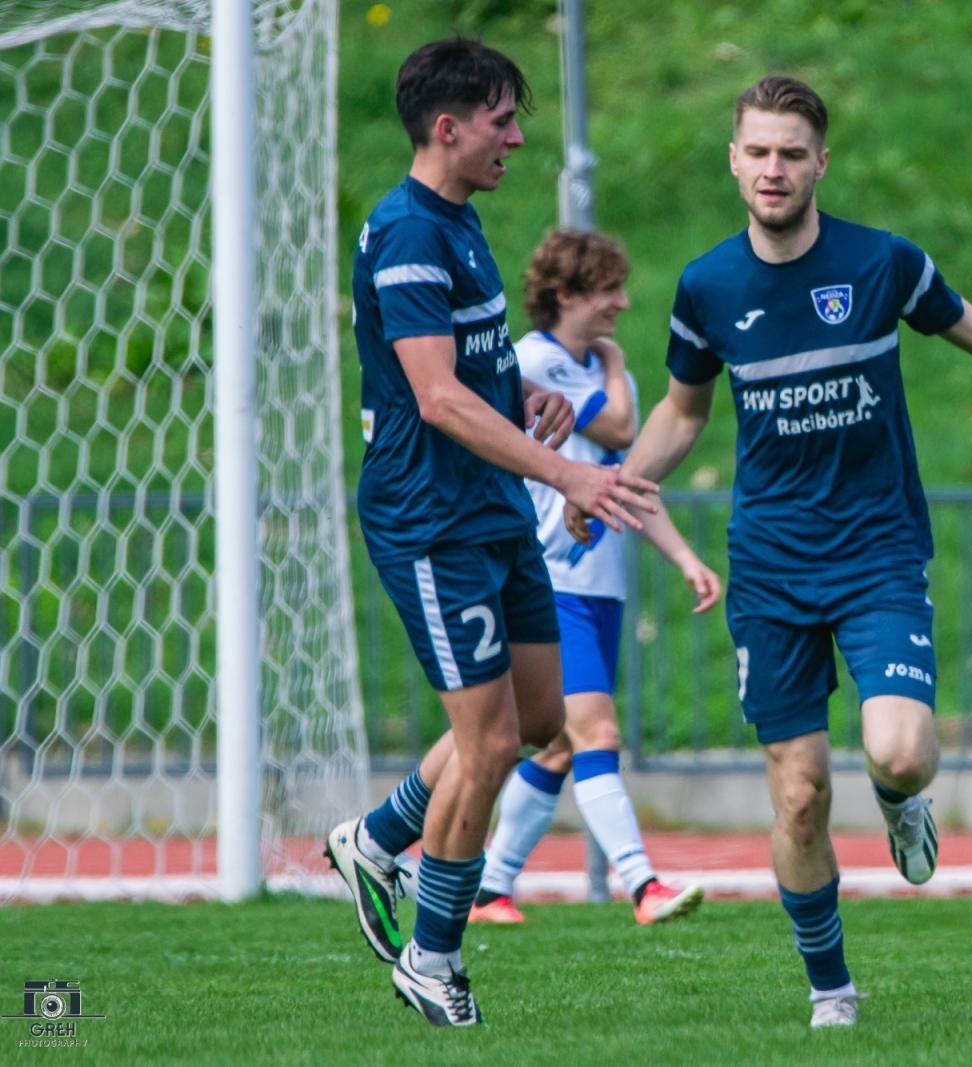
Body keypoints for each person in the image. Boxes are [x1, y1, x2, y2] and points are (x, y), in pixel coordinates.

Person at [592, 75, 972, 1028]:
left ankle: (902, 800)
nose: (774, 169)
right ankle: (830, 989)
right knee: (800, 794)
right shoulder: (708, 286)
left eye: (792, 153)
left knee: (900, 748)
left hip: (877, 549)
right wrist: (608, 486)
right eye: (758, 151)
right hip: (769, 565)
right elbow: (684, 414)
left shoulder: (883, 263)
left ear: (821, 163)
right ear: (734, 159)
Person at [322, 38, 657, 1028]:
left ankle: (379, 837)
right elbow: (432, 397)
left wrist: (527, 404)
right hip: (431, 520)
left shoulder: (464, 226)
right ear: (448, 126)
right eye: (502, 119)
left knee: (544, 714)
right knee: (495, 738)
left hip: (494, 505)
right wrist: (567, 468)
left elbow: (470, 378)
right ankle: (433, 955)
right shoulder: (408, 233)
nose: (517, 135)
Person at [468, 229, 718, 927]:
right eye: (609, 289)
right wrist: (611, 364)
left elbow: (626, 479)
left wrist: (684, 557)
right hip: (551, 580)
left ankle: (488, 889)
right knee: (596, 732)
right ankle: (645, 886)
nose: (623, 302)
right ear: (567, 294)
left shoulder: (604, 370)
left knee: (556, 746)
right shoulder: (535, 362)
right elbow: (617, 429)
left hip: (599, 583)